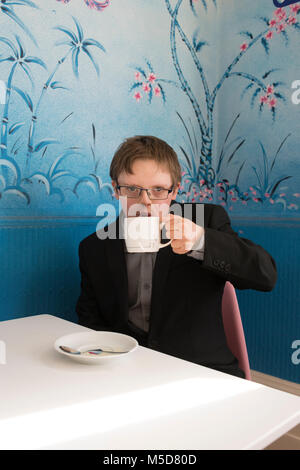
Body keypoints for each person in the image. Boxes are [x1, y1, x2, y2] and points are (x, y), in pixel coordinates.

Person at [76, 135, 277, 378]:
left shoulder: (207, 220)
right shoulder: (94, 247)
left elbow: (266, 275)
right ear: (115, 190)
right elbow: (90, 320)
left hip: (201, 370)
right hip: (127, 371)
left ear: (175, 191)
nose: (145, 203)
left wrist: (201, 241)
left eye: (158, 190)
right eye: (132, 189)